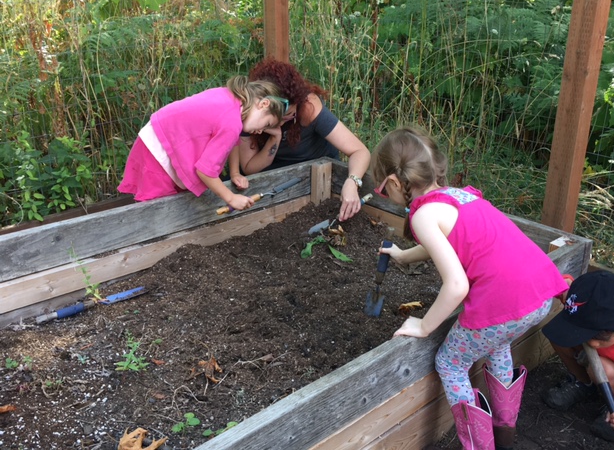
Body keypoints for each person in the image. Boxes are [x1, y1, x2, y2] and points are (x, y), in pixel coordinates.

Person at [371, 127, 568, 450]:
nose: (385, 196)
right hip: (539, 292)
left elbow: (457, 286)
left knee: (449, 363)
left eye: (382, 191)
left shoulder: (423, 215)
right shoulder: (459, 196)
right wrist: (404, 256)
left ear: (393, 182)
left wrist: (423, 325)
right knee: (497, 343)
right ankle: (505, 434)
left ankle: (479, 446)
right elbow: (449, 239)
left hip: (505, 299)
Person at [228, 57, 371, 222]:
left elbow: (360, 151)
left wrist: (352, 182)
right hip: (278, 178)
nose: (280, 122)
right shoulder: (250, 112)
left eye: (289, 115)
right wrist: (274, 138)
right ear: (262, 104)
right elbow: (249, 168)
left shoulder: (309, 107)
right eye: (275, 119)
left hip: (316, 177)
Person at [118, 76, 287, 212]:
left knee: (174, 203)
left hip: (161, 137)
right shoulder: (232, 122)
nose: (260, 131)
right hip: (159, 151)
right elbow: (205, 171)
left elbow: (232, 142)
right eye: (266, 124)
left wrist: (235, 173)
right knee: (158, 209)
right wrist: (231, 198)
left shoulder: (231, 99)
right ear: (264, 104)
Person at [542, 270, 614, 446]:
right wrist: (563, 284)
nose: (593, 344)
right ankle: (585, 383)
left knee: (602, 367)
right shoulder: (585, 307)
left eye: (602, 337)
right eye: (590, 334)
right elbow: (565, 286)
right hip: (608, 365)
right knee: (561, 334)